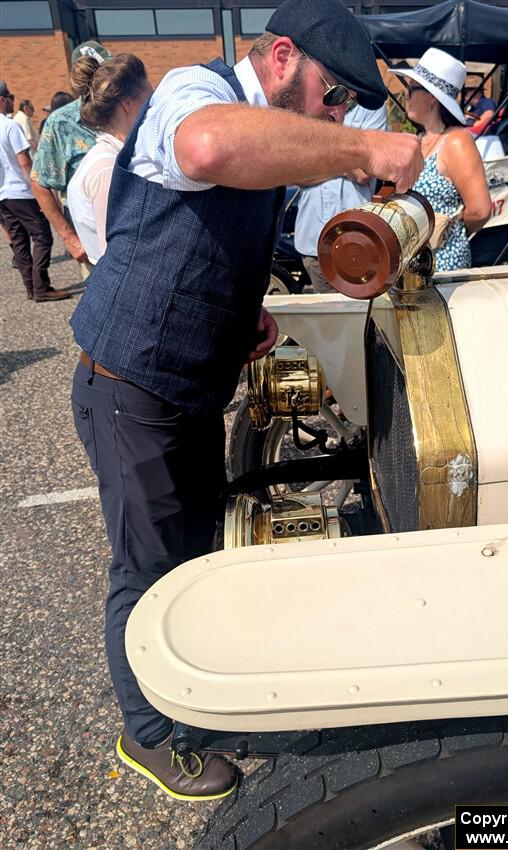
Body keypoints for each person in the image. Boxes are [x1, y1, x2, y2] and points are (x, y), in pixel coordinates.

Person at [69, 0, 422, 803]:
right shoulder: (196, 90)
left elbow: (203, 223)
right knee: (147, 565)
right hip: (131, 384)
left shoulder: (264, 126)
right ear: (284, 58)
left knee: (192, 551)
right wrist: (361, 146)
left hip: (182, 383)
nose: (336, 116)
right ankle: (148, 737)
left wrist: (241, 307)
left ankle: (189, 699)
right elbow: (206, 147)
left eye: (348, 112)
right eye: (334, 97)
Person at [390, 48, 491, 271]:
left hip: (442, 263)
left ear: (432, 97)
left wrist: (446, 227)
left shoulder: (456, 142)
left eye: (412, 88)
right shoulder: (419, 139)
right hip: (410, 265)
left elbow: (480, 211)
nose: (406, 95)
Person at [31, 42, 111, 270]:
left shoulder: (125, 112)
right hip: (93, 242)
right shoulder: (61, 123)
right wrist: (69, 238)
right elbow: (40, 182)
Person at [294, 102, 388, 292]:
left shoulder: (372, 108)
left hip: (358, 241)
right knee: (329, 317)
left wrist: (319, 156)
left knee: (360, 316)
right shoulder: (308, 100)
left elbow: (364, 173)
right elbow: (294, 171)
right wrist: (347, 162)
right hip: (314, 242)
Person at [67, 54, 152, 265]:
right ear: (127, 104)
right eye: (149, 100)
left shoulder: (110, 157)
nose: (153, 108)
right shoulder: (106, 168)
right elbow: (117, 253)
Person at [0, 82, 69, 301]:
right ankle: (41, 287)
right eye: (10, 96)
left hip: (2, 195)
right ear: (2, 100)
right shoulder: (9, 126)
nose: (13, 99)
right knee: (42, 236)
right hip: (21, 191)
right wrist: (39, 190)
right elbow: (24, 163)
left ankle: (31, 288)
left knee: (19, 240)